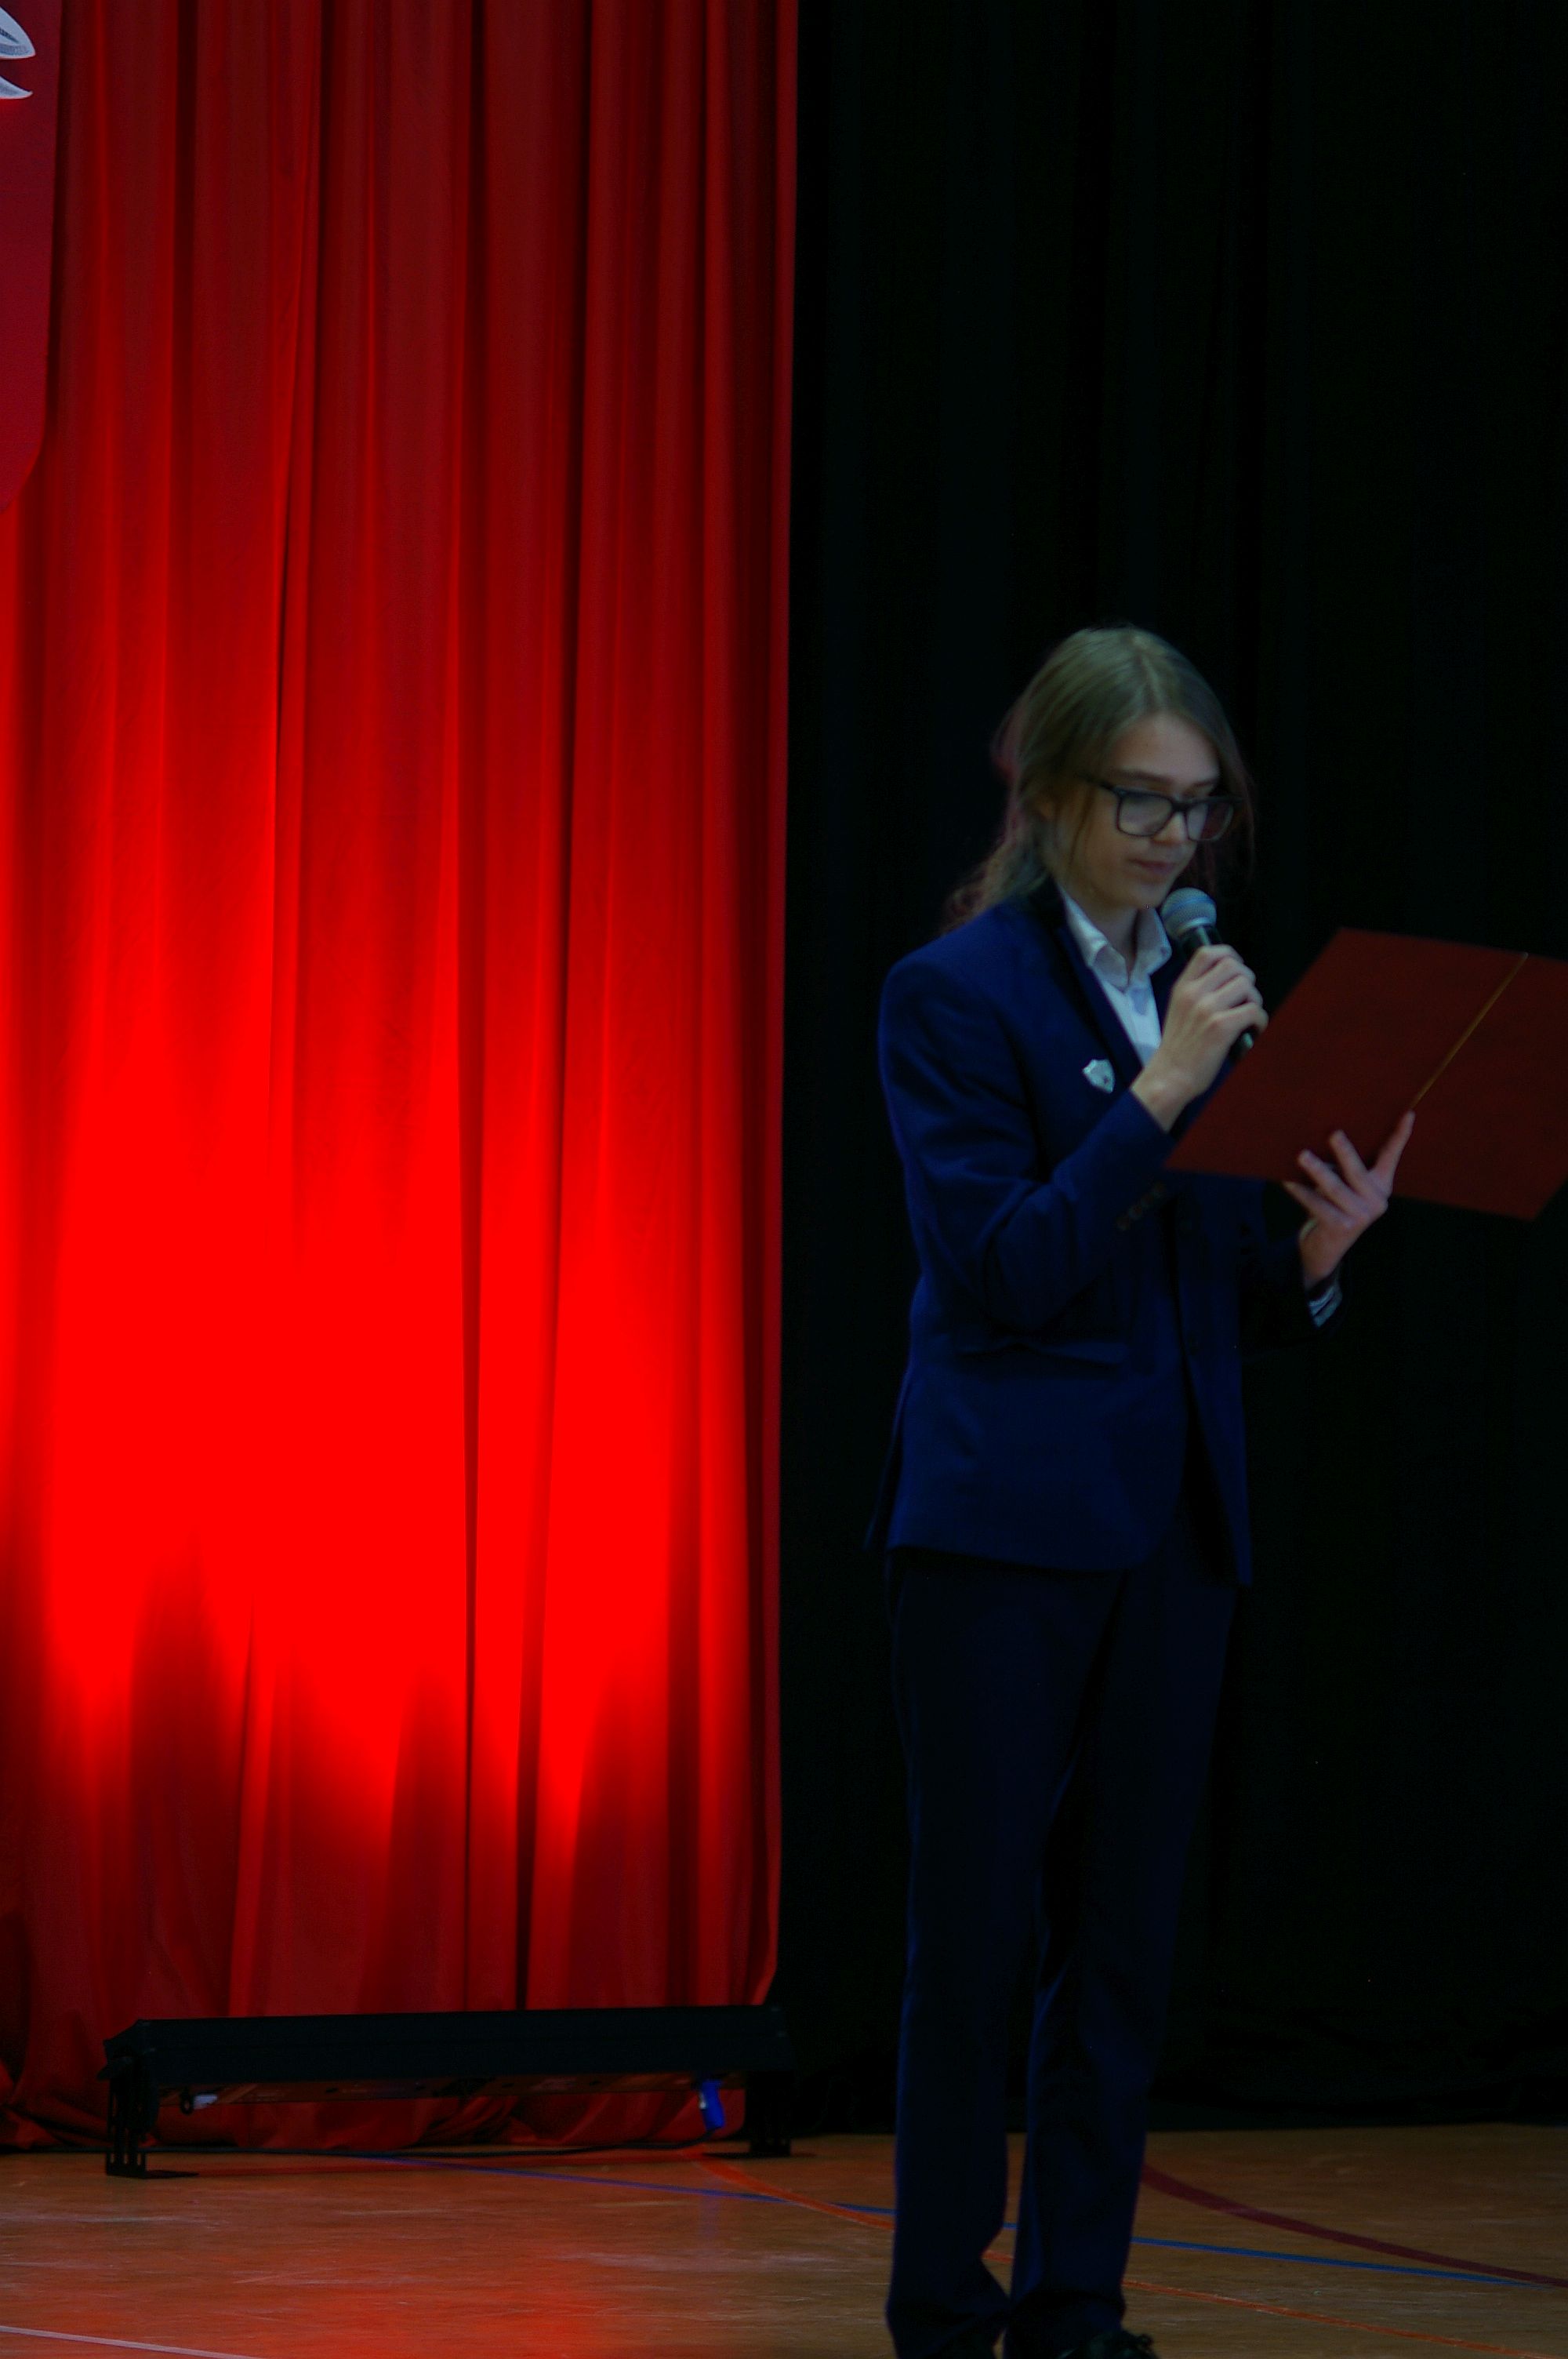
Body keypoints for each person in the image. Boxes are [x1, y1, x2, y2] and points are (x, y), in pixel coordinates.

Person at [870, 625, 1412, 2359]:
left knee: (1119, 1945)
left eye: (1201, 810)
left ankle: (1076, 2306)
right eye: (1144, 804)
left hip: (1171, 1525)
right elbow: (1011, 1268)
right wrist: (1168, 1084)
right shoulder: (953, 995)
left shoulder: (1196, 990)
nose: (1177, 843)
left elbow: (1190, 1293)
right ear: (1048, 794)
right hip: (1000, 1531)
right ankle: (943, 2307)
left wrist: (1311, 1259)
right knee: (977, 1939)